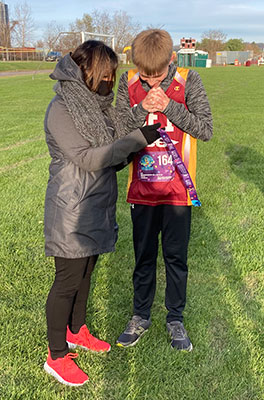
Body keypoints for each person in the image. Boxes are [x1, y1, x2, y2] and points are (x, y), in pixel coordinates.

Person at [43, 40, 161, 386]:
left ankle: (77, 330)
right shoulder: (62, 108)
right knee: (67, 282)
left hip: (97, 205)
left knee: (86, 274)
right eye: (105, 74)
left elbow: (112, 157)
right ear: (86, 70)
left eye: (113, 74)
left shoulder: (98, 106)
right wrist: (136, 140)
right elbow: (89, 158)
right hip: (71, 210)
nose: (110, 81)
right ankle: (56, 355)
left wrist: (136, 145)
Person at [115, 29, 213, 351]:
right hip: (141, 190)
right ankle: (140, 316)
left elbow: (205, 129)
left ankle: (175, 320)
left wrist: (169, 106)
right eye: (145, 75)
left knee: (175, 258)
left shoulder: (189, 80)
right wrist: (142, 106)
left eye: (157, 75)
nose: (152, 82)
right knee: (143, 257)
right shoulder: (128, 83)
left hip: (177, 192)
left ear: (171, 60)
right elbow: (115, 129)